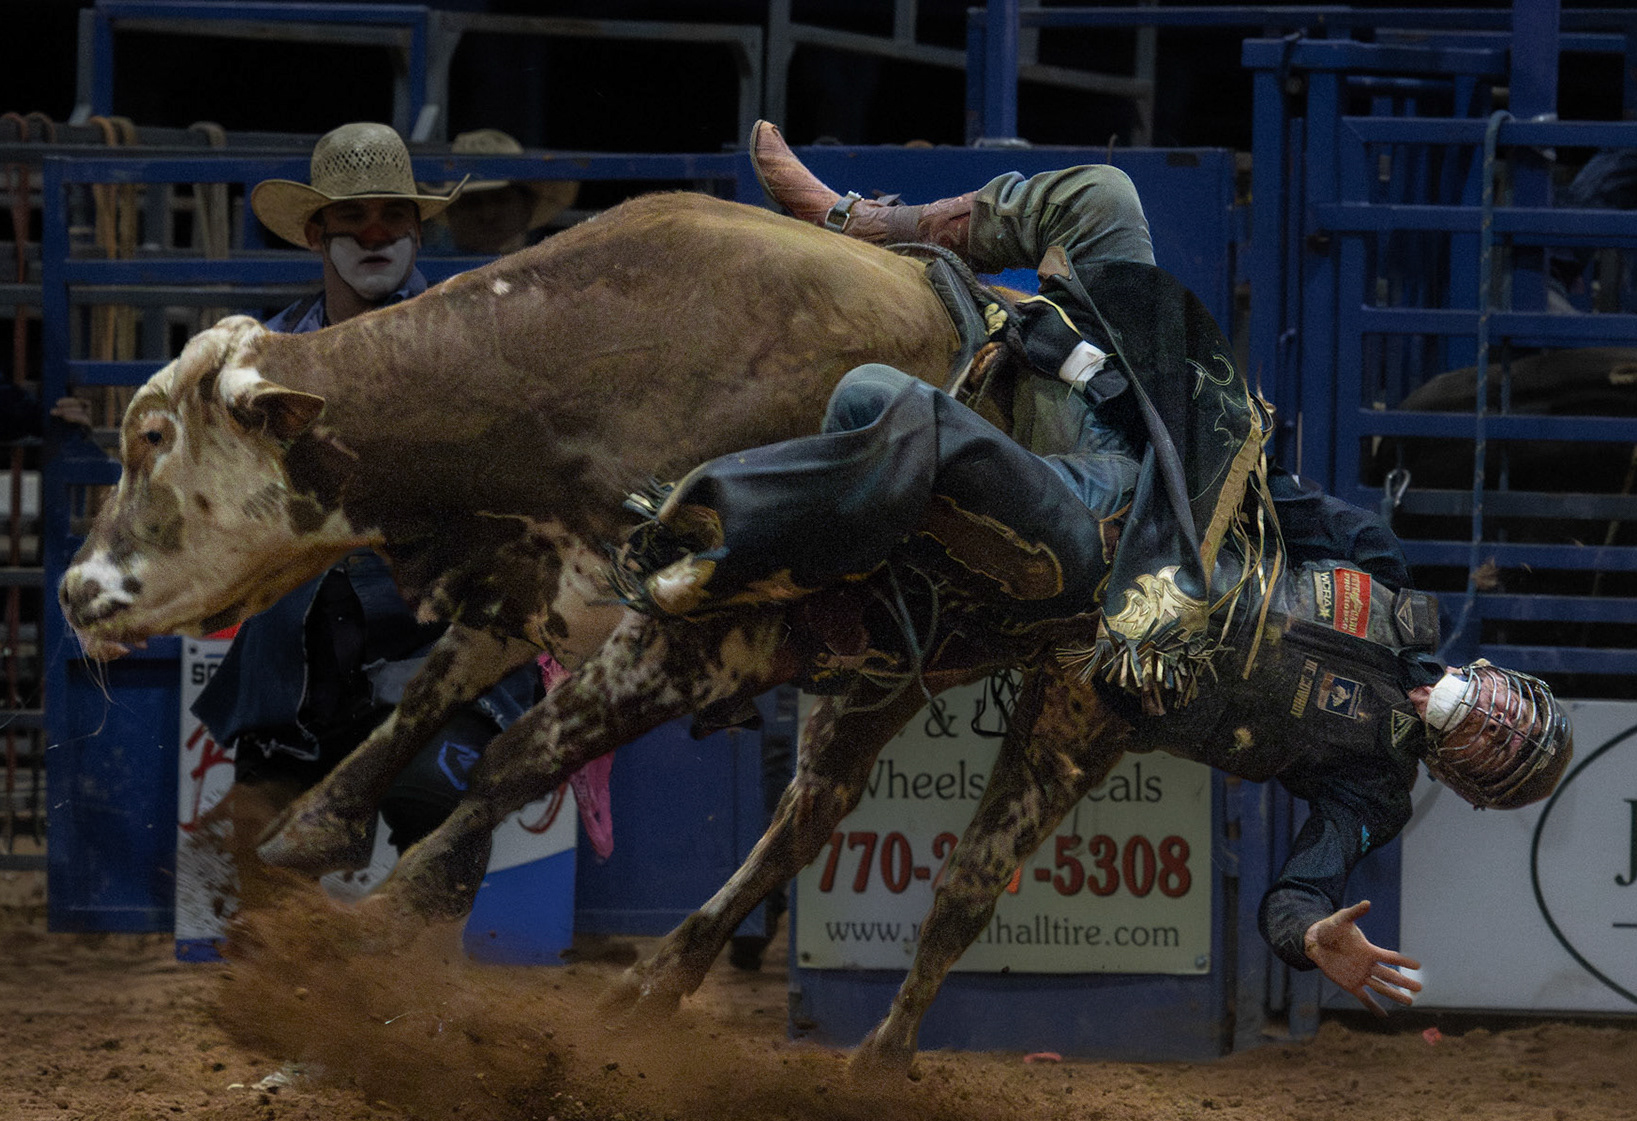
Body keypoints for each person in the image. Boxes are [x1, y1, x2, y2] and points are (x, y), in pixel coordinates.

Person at [620, 126, 1574, 1012]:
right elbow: (1259, 486)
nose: (1488, 720)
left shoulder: (1369, 788)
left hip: (1105, 604)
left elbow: (1298, 891)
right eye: (1507, 710)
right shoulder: (1393, 582)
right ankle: (862, 222)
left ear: (1468, 777)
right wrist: (1109, 376)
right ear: (1499, 679)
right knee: (1102, 195)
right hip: (1157, 495)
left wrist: (1311, 936)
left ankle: (722, 535)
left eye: (1498, 747)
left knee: (894, 407)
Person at [192, 122, 543, 869]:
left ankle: (418, 945)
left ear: (417, 230)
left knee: (438, 823)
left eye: (393, 216)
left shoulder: (474, 345)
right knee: (263, 862)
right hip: (296, 663)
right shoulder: (258, 363)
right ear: (316, 234)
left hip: (438, 651)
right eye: (353, 217)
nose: (375, 233)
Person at [422, 129, 579, 256]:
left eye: (500, 199)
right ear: (450, 212)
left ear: (527, 205)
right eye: (471, 202)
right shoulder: (423, 281)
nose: (488, 214)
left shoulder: (556, 280)